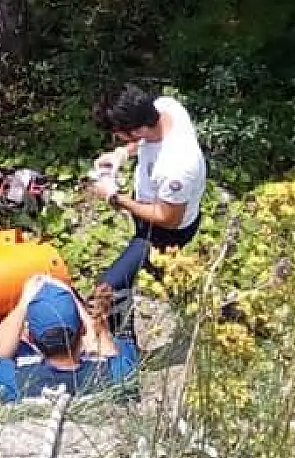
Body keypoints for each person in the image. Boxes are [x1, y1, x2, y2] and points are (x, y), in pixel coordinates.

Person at [85, 83, 208, 339]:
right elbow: (141, 142)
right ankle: (198, 307)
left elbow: (168, 219)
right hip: (153, 215)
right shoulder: (164, 108)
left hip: (164, 232)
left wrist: (114, 197)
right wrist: (120, 154)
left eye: (119, 135)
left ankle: (123, 352)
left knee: (110, 285)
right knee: (163, 273)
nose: (117, 138)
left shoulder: (177, 164)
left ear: (136, 129)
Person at [0, 274, 138, 403]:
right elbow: (111, 351)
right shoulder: (115, 377)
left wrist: (24, 303)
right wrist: (71, 297)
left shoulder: (14, 381)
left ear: (30, 337)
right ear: (82, 329)